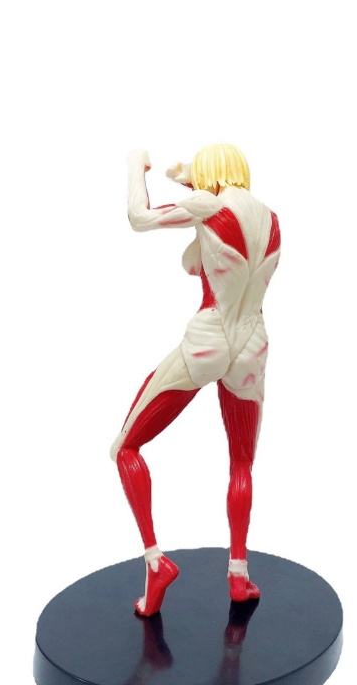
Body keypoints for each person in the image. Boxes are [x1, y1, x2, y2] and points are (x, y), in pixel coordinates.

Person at [112, 144, 281, 616]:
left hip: (209, 339)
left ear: (208, 176)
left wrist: (136, 165)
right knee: (242, 464)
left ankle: (156, 563)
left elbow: (140, 217)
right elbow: (204, 255)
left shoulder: (207, 205)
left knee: (126, 448)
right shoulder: (271, 220)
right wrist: (191, 180)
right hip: (252, 345)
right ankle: (239, 574)